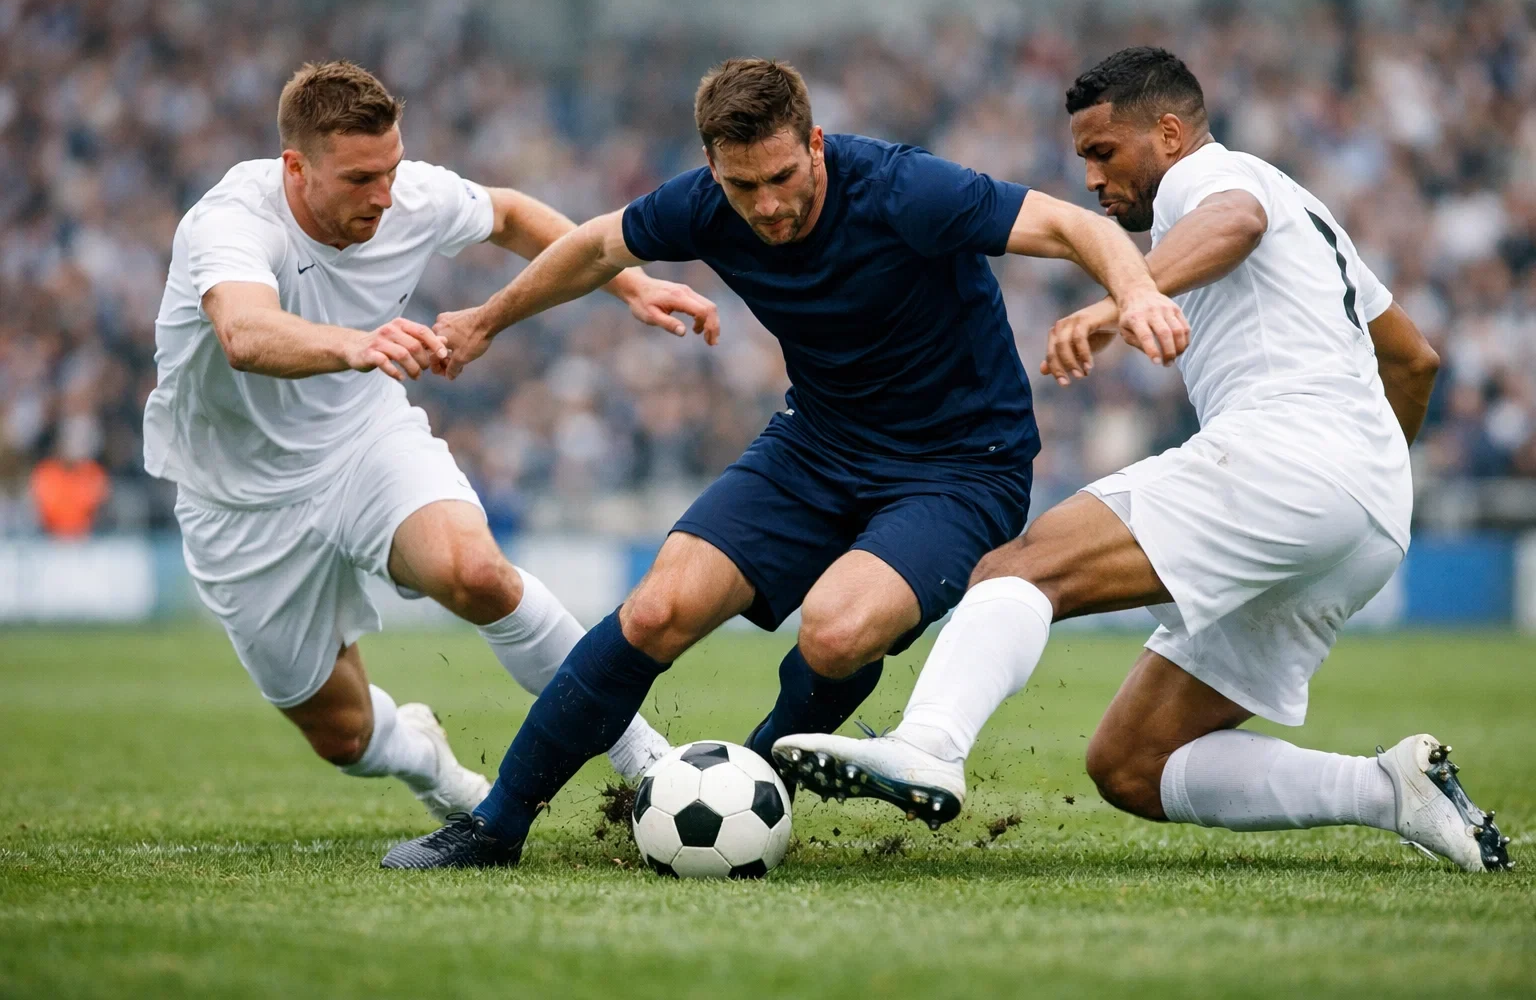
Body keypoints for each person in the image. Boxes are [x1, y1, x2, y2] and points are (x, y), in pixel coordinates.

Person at [380, 57, 1186, 868]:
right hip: (816, 444)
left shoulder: (905, 190)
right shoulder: (702, 207)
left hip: (960, 466)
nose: (766, 205)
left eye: (781, 177)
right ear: (712, 169)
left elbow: (1073, 227)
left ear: (816, 145)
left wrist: (1138, 293)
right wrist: (485, 320)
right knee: (655, 611)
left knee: (835, 635)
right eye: (742, 186)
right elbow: (593, 247)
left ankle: (760, 775)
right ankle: (495, 826)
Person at [773, 47, 1512, 872]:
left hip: (1290, 456)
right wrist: (1363, 487)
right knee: (1133, 763)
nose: (1092, 178)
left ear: (1167, 133)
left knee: (1021, 567)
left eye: (1103, 152)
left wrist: (1126, 296)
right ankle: (1389, 791)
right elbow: (1414, 361)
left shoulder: (1212, 178)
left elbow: (1236, 221)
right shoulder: (1310, 214)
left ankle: (928, 746)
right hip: (1367, 517)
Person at [143, 61, 709, 824]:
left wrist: (629, 283)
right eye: (359, 178)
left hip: (362, 441)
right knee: (343, 736)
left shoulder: (411, 195)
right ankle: (436, 770)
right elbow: (244, 333)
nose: (384, 194)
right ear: (295, 167)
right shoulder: (230, 223)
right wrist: (355, 343)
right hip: (237, 498)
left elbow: (510, 214)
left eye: (392, 168)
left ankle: (650, 763)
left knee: (477, 574)